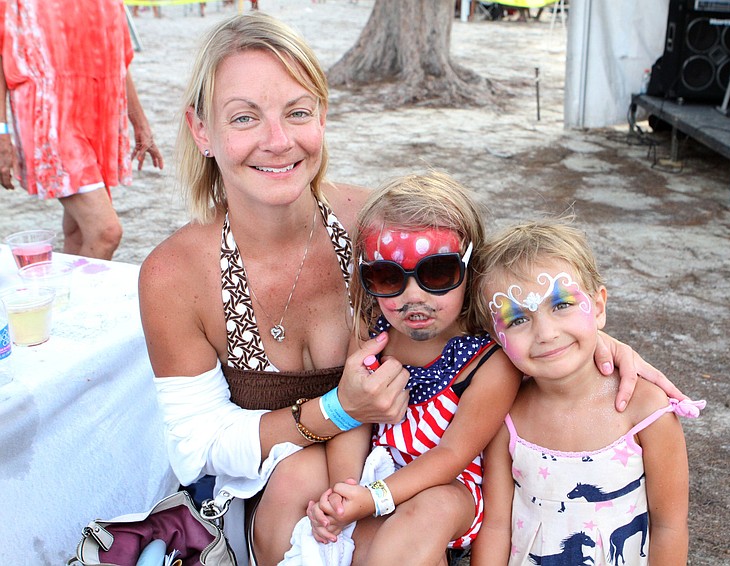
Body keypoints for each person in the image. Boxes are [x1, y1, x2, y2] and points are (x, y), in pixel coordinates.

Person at [139, 12, 681, 566]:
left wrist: (601, 349)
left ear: (322, 117)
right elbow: (194, 450)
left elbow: (499, 295)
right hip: (292, 485)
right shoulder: (175, 276)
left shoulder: (381, 230)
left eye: (297, 112)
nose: (277, 141)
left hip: (413, 491)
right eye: (244, 118)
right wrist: (338, 411)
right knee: (295, 473)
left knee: (417, 517)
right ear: (201, 130)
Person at [301, 171, 522, 565]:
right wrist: (343, 493)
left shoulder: (489, 362)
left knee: (428, 511)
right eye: (388, 277)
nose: (413, 296)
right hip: (377, 478)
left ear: (470, 268)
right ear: (366, 274)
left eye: (437, 272)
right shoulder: (371, 334)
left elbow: (453, 454)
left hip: (451, 488)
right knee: (303, 491)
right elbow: (353, 418)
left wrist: (373, 498)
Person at [471, 219, 705, 566]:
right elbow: (495, 528)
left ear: (598, 307)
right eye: (518, 320)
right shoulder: (506, 416)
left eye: (561, 305)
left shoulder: (646, 411)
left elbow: (670, 526)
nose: (546, 333)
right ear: (495, 337)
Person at [0, 0, 164, 260]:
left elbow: (117, 58)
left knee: (79, 233)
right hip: (49, 114)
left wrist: (140, 123)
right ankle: (84, 300)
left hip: (98, 115)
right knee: (105, 232)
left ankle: (68, 298)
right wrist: (1, 129)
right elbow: (2, 50)